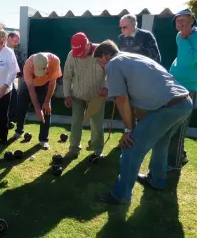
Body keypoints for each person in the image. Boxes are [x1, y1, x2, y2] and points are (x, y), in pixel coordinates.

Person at [93, 40, 192, 205]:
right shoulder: (132, 58)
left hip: (168, 107)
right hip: (184, 103)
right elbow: (135, 96)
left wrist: (127, 131)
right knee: (161, 143)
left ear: (105, 55)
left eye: (99, 61)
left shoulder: (113, 64)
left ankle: (121, 195)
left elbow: (122, 99)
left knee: (130, 148)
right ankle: (157, 180)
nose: (100, 65)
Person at [63, 32, 107, 160]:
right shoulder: (71, 55)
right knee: (76, 120)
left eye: (82, 52)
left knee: (97, 123)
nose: (79, 56)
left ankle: (97, 150)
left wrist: (106, 88)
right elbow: (67, 76)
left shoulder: (101, 52)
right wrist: (67, 95)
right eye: (77, 53)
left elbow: (111, 72)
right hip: (77, 94)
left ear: (88, 45)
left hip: (97, 95)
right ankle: (74, 148)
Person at [167, 9, 197, 171]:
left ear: (192, 20)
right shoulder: (181, 36)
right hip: (176, 85)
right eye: (178, 21)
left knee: (179, 126)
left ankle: (173, 163)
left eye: (183, 20)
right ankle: (182, 155)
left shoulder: (189, 37)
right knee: (175, 123)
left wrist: (184, 40)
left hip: (189, 88)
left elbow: (191, 60)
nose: (180, 24)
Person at [13, 52, 62, 149]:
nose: (39, 75)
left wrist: (47, 102)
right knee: (21, 107)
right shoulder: (28, 65)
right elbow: (31, 90)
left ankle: (43, 139)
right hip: (28, 85)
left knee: (46, 111)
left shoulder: (55, 61)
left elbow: (52, 83)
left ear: (47, 64)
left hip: (44, 85)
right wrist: (37, 109)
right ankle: (19, 131)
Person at [6, 31, 22, 124]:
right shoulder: (4, 48)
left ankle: (11, 118)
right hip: (4, 79)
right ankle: (5, 120)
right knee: (7, 100)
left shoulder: (11, 48)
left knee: (14, 96)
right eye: (15, 41)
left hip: (11, 78)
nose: (16, 43)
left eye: (17, 42)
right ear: (9, 38)